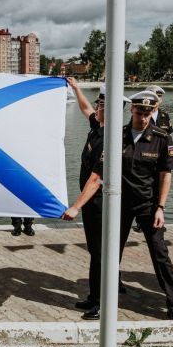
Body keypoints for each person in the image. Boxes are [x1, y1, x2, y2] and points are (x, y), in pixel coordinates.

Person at [62, 81, 131, 320]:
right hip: (92, 205)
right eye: (98, 104)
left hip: (101, 205)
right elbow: (85, 110)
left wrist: (75, 207)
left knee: (102, 255)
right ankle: (94, 297)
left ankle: (103, 304)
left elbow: (96, 178)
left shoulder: (111, 139)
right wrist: (75, 88)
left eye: (101, 105)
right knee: (95, 252)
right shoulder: (99, 127)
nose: (96, 108)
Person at [119, 90, 173, 320]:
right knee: (111, 251)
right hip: (121, 203)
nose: (143, 117)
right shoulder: (118, 135)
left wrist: (161, 208)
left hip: (148, 204)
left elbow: (166, 174)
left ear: (154, 111)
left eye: (148, 112)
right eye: (139, 112)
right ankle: (104, 294)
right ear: (131, 110)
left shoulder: (161, 137)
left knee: (160, 254)